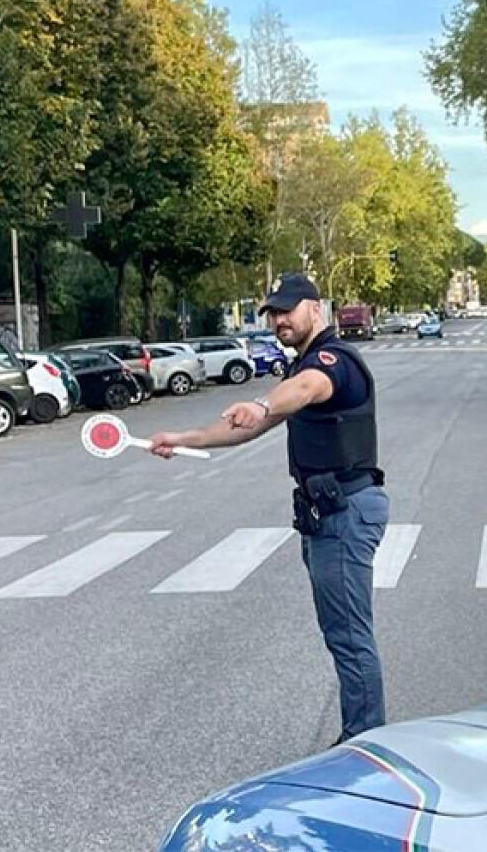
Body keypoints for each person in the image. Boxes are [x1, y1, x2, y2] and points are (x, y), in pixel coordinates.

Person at [149, 273, 389, 742]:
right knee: (342, 632)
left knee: (349, 635)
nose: (280, 320)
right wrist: (182, 439)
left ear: (315, 308)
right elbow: (249, 427)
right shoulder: (301, 365)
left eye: (288, 309)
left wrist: (261, 403)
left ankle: (365, 744)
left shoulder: (332, 360)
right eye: (273, 313)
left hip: (345, 511)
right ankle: (363, 737)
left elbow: (305, 390)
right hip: (326, 513)